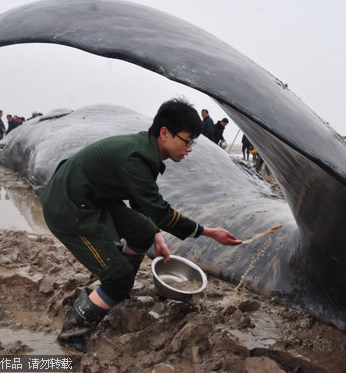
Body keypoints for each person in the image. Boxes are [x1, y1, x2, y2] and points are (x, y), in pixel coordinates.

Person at [40, 97, 241, 351]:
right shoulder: (137, 157)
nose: (189, 149)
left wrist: (154, 233)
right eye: (187, 141)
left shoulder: (146, 152)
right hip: (69, 208)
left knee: (144, 232)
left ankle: (118, 291)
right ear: (165, 133)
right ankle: (70, 336)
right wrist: (209, 232)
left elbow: (141, 202)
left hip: (92, 199)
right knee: (118, 278)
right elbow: (160, 211)